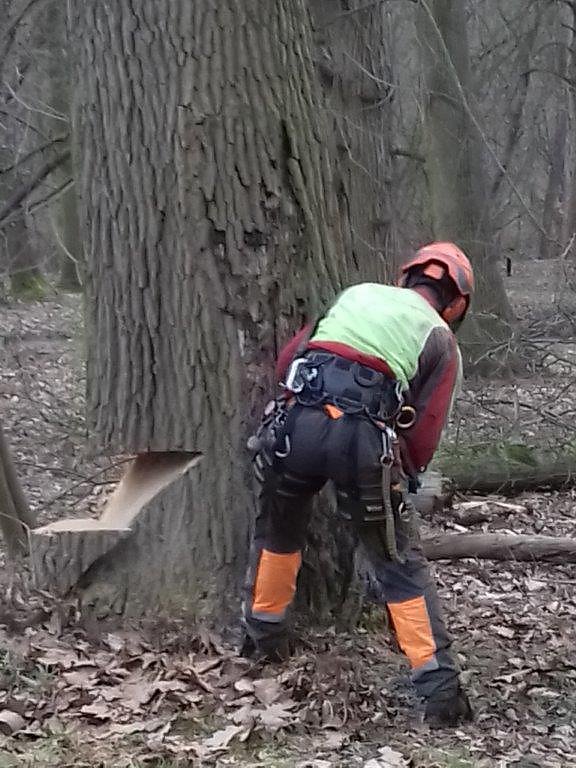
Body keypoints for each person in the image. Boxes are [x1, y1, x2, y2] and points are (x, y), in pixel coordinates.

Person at [241, 242, 474, 728]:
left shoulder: (356, 294)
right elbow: (425, 428)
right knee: (398, 565)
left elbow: (290, 360)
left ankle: (263, 639)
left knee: (278, 532)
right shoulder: (440, 338)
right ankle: (440, 693)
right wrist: (402, 474)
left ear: (405, 277)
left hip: (296, 425)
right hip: (363, 443)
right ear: (456, 305)